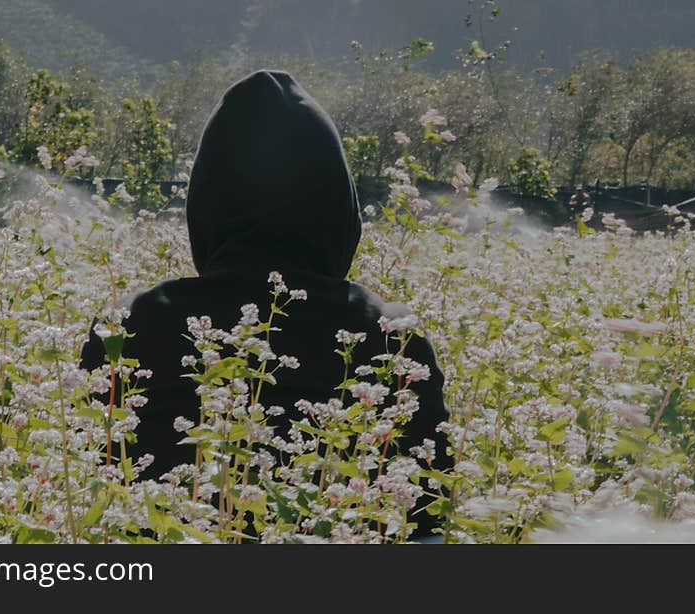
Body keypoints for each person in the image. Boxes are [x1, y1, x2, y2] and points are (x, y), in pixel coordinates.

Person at [80, 69, 452, 539]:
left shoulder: (129, 321)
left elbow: (92, 494)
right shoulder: (391, 332)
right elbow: (424, 523)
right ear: (337, 204)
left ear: (208, 203)